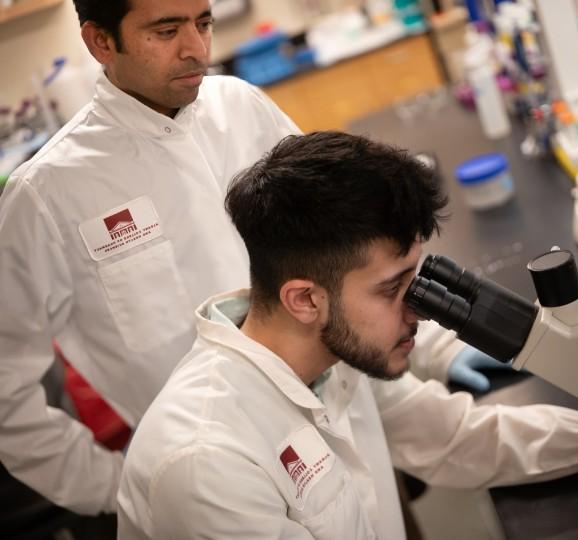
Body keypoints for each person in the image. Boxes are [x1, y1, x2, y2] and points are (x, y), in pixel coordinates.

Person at [0, 0, 502, 516]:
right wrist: (118, 489)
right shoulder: (48, 194)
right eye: (166, 30)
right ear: (100, 41)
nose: (196, 48)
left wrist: (437, 347)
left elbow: (353, 253)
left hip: (346, 426)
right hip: (217, 487)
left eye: (203, 22)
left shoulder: (241, 106)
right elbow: (5, 392)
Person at [116, 131, 578, 539]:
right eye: (393, 288)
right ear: (304, 297)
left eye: (421, 280)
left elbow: (453, 440)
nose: (421, 312)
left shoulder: (324, 354)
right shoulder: (206, 465)